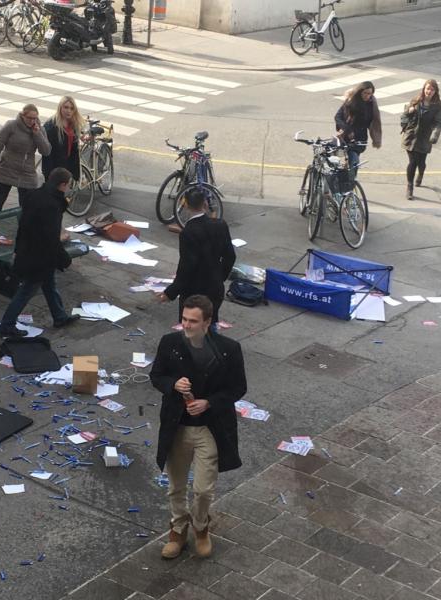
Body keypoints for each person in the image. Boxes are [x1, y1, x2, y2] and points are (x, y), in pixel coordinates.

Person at [150, 294, 247, 559]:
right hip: (178, 425)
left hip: (209, 427)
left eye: (193, 321)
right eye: (183, 319)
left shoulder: (228, 348)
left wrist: (208, 403)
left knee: (203, 489)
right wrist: (173, 385)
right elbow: (156, 375)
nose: (187, 325)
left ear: (207, 322)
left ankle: (201, 526)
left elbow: (238, 387)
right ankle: (178, 529)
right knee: (176, 486)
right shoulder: (170, 343)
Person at [0, 168, 79, 337]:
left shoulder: (35, 195)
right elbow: (50, 237)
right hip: (39, 256)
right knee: (27, 290)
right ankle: (6, 324)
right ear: (62, 185)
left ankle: (59, 316)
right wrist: (64, 258)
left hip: (29, 251)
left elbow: (23, 225)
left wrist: (17, 250)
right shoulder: (52, 205)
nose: (69, 188)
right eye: (69, 185)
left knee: (49, 285)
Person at [157, 188, 236, 327]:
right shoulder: (220, 225)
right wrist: (219, 277)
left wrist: (170, 292)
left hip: (194, 291)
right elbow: (230, 256)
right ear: (205, 204)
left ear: (186, 205)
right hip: (215, 288)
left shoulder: (188, 232)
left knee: (191, 327)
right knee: (210, 321)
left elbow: (187, 267)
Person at [0, 104, 52, 241]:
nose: (32, 121)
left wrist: (37, 134)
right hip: (7, 168)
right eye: (29, 118)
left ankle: (23, 235)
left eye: (35, 118)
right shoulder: (11, 126)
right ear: (22, 115)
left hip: (26, 173)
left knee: (25, 205)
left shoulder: (39, 129)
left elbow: (46, 151)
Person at [401, 79, 441, 200]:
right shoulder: (416, 101)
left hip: (425, 138)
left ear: (435, 91)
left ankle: (421, 174)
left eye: (432, 89)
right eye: (427, 88)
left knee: (421, 162)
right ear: (424, 89)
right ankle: (409, 187)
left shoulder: (437, 106)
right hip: (411, 136)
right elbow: (404, 115)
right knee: (412, 162)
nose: (429, 91)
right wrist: (409, 111)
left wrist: (434, 135)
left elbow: (438, 123)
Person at [335, 81, 382, 179]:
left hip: (361, 139)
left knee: (353, 164)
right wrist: (347, 130)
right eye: (365, 93)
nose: (367, 96)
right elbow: (338, 117)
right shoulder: (351, 102)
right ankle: (346, 183)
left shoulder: (372, 104)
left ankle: (349, 186)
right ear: (360, 92)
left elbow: (375, 122)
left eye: (370, 93)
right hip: (347, 137)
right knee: (350, 162)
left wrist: (376, 138)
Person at [41, 96, 84, 182]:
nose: (69, 111)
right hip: (54, 170)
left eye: (72, 108)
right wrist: (49, 174)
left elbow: (74, 151)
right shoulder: (51, 126)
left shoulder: (73, 125)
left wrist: (76, 174)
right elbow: (47, 153)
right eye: (66, 107)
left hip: (66, 168)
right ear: (60, 108)